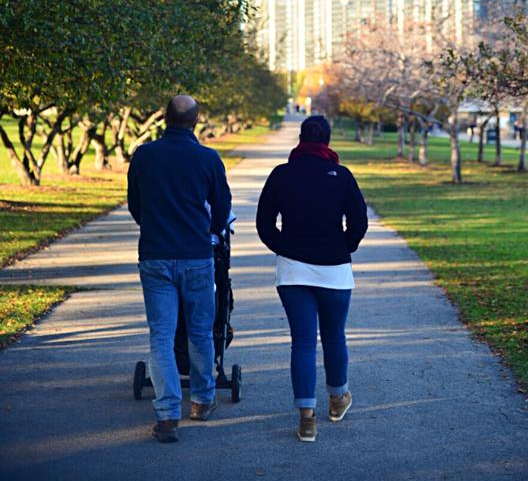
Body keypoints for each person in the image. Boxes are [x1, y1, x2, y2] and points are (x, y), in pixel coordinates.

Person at [256, 114, 368, 443]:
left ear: (300, 138)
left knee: (303, 343)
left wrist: (286, 248)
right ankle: (337, 399)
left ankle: (307, 418)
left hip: (293, 270)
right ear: (328, 141)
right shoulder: (342, 175)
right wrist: (341, 248)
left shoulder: (282, 174)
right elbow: (358, 223)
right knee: (334, 338)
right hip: (335, 270)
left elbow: (264, 225)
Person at [127, 94, 232, 443]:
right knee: (200, 332)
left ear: (164, 118)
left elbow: (135, 204)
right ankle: (201, 401)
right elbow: (221, 210)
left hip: (155, 254)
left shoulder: (144, 155)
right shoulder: (208, 158)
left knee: (161, 335)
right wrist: (206, 230)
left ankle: (167, 414)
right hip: (196, 256)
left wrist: (155, 226)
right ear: (195, 121)